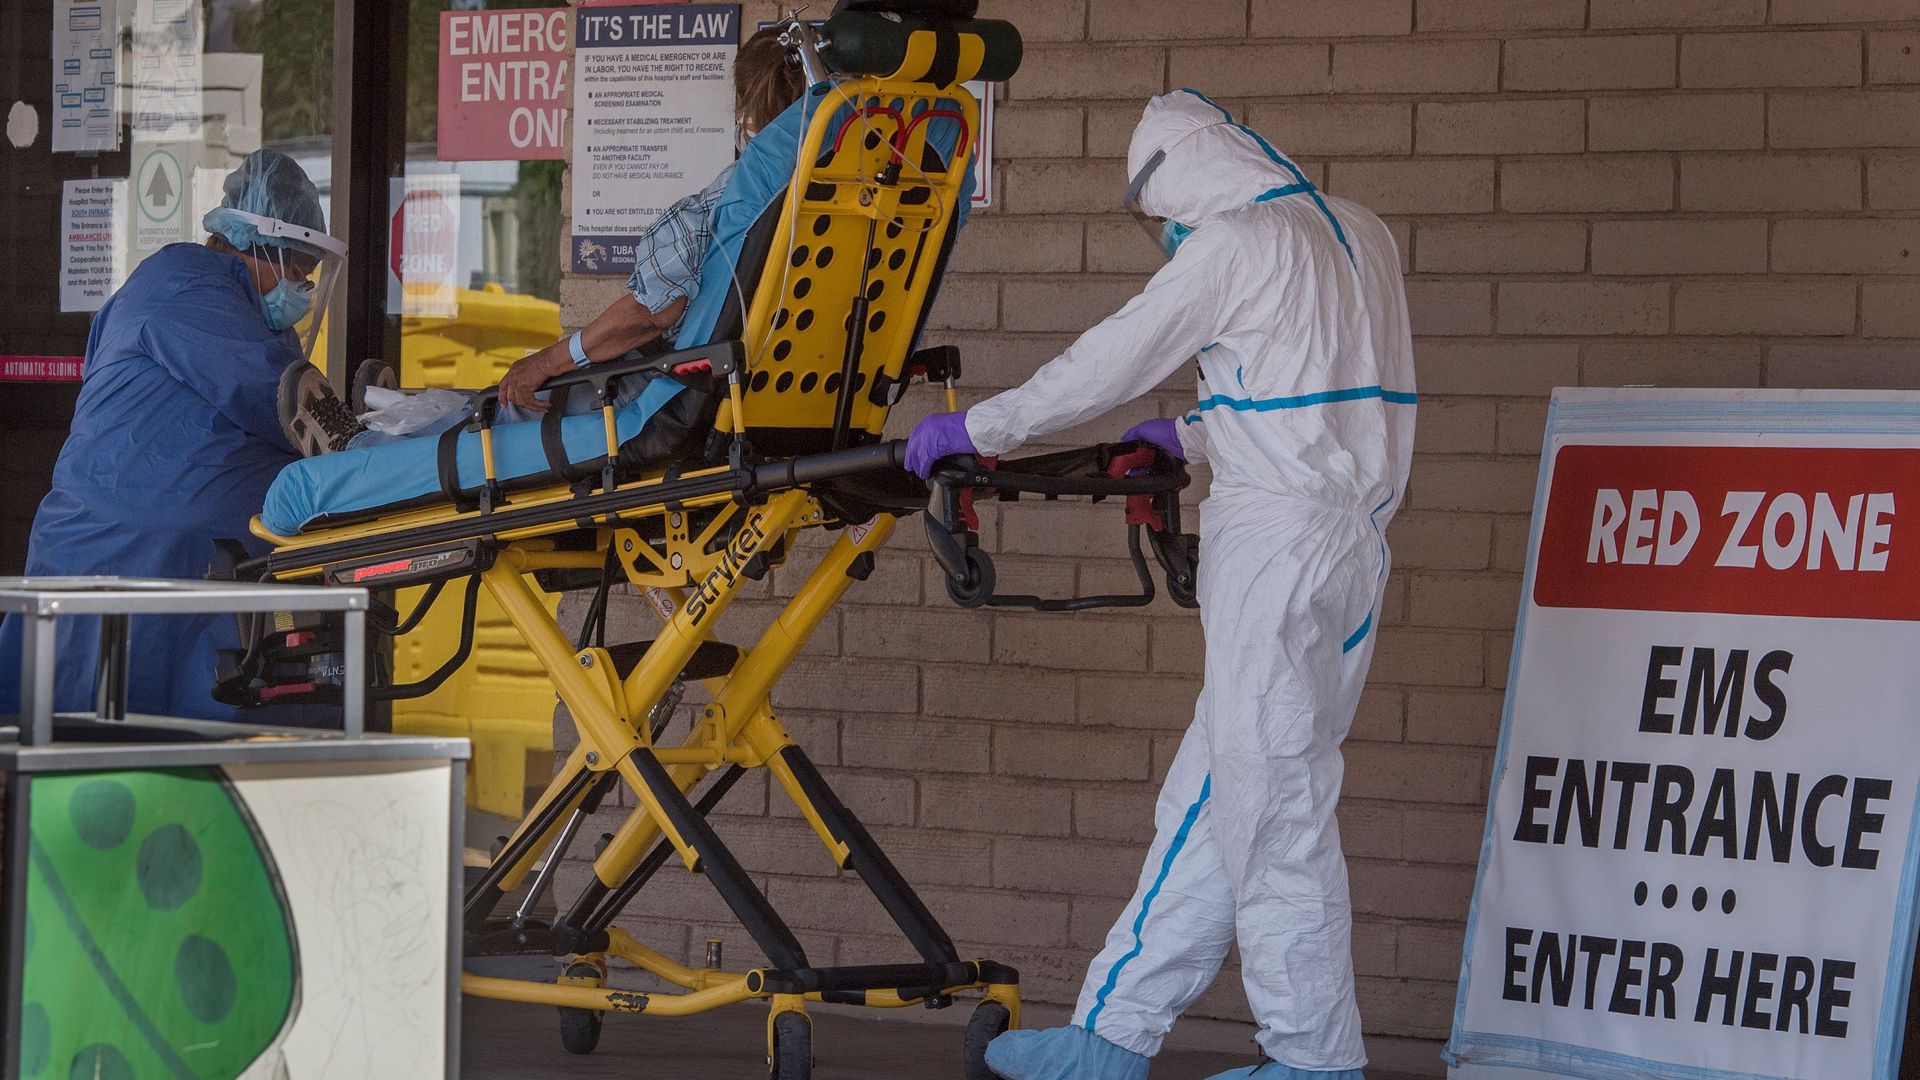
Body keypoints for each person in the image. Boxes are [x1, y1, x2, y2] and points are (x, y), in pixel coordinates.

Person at [905, 90, 1417, 1080]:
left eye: (1162, 215)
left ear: (1178, 179)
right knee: (1217, 797)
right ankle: (1111, 1033)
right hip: (1351, 551)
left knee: (1272, 808)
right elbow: (1328, 394)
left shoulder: (1234, 243)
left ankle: (1316, 1062)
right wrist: (1188, 434)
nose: (1168, 233)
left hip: (1276, 553)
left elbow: (1111, 359)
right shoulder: (1362, 231)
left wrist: (983, 429)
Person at [284, 26, 809, 455]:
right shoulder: (813, 202)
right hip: (747, 400)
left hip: (648, 399)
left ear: (747, 111)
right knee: (489, 402)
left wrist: (548, 362)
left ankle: (359, 450)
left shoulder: (731, 202)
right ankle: (391, 413)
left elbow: (651, 313)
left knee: (508, 407)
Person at [0, 148, 345, 720]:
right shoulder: (187, 288)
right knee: (90, 762)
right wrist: (370, 448)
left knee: (160, 766)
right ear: (255, 245)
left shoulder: (240, 310)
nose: (302, 288)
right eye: (295, 270)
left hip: (175, 569)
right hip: (118, 560)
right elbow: (286, 403)